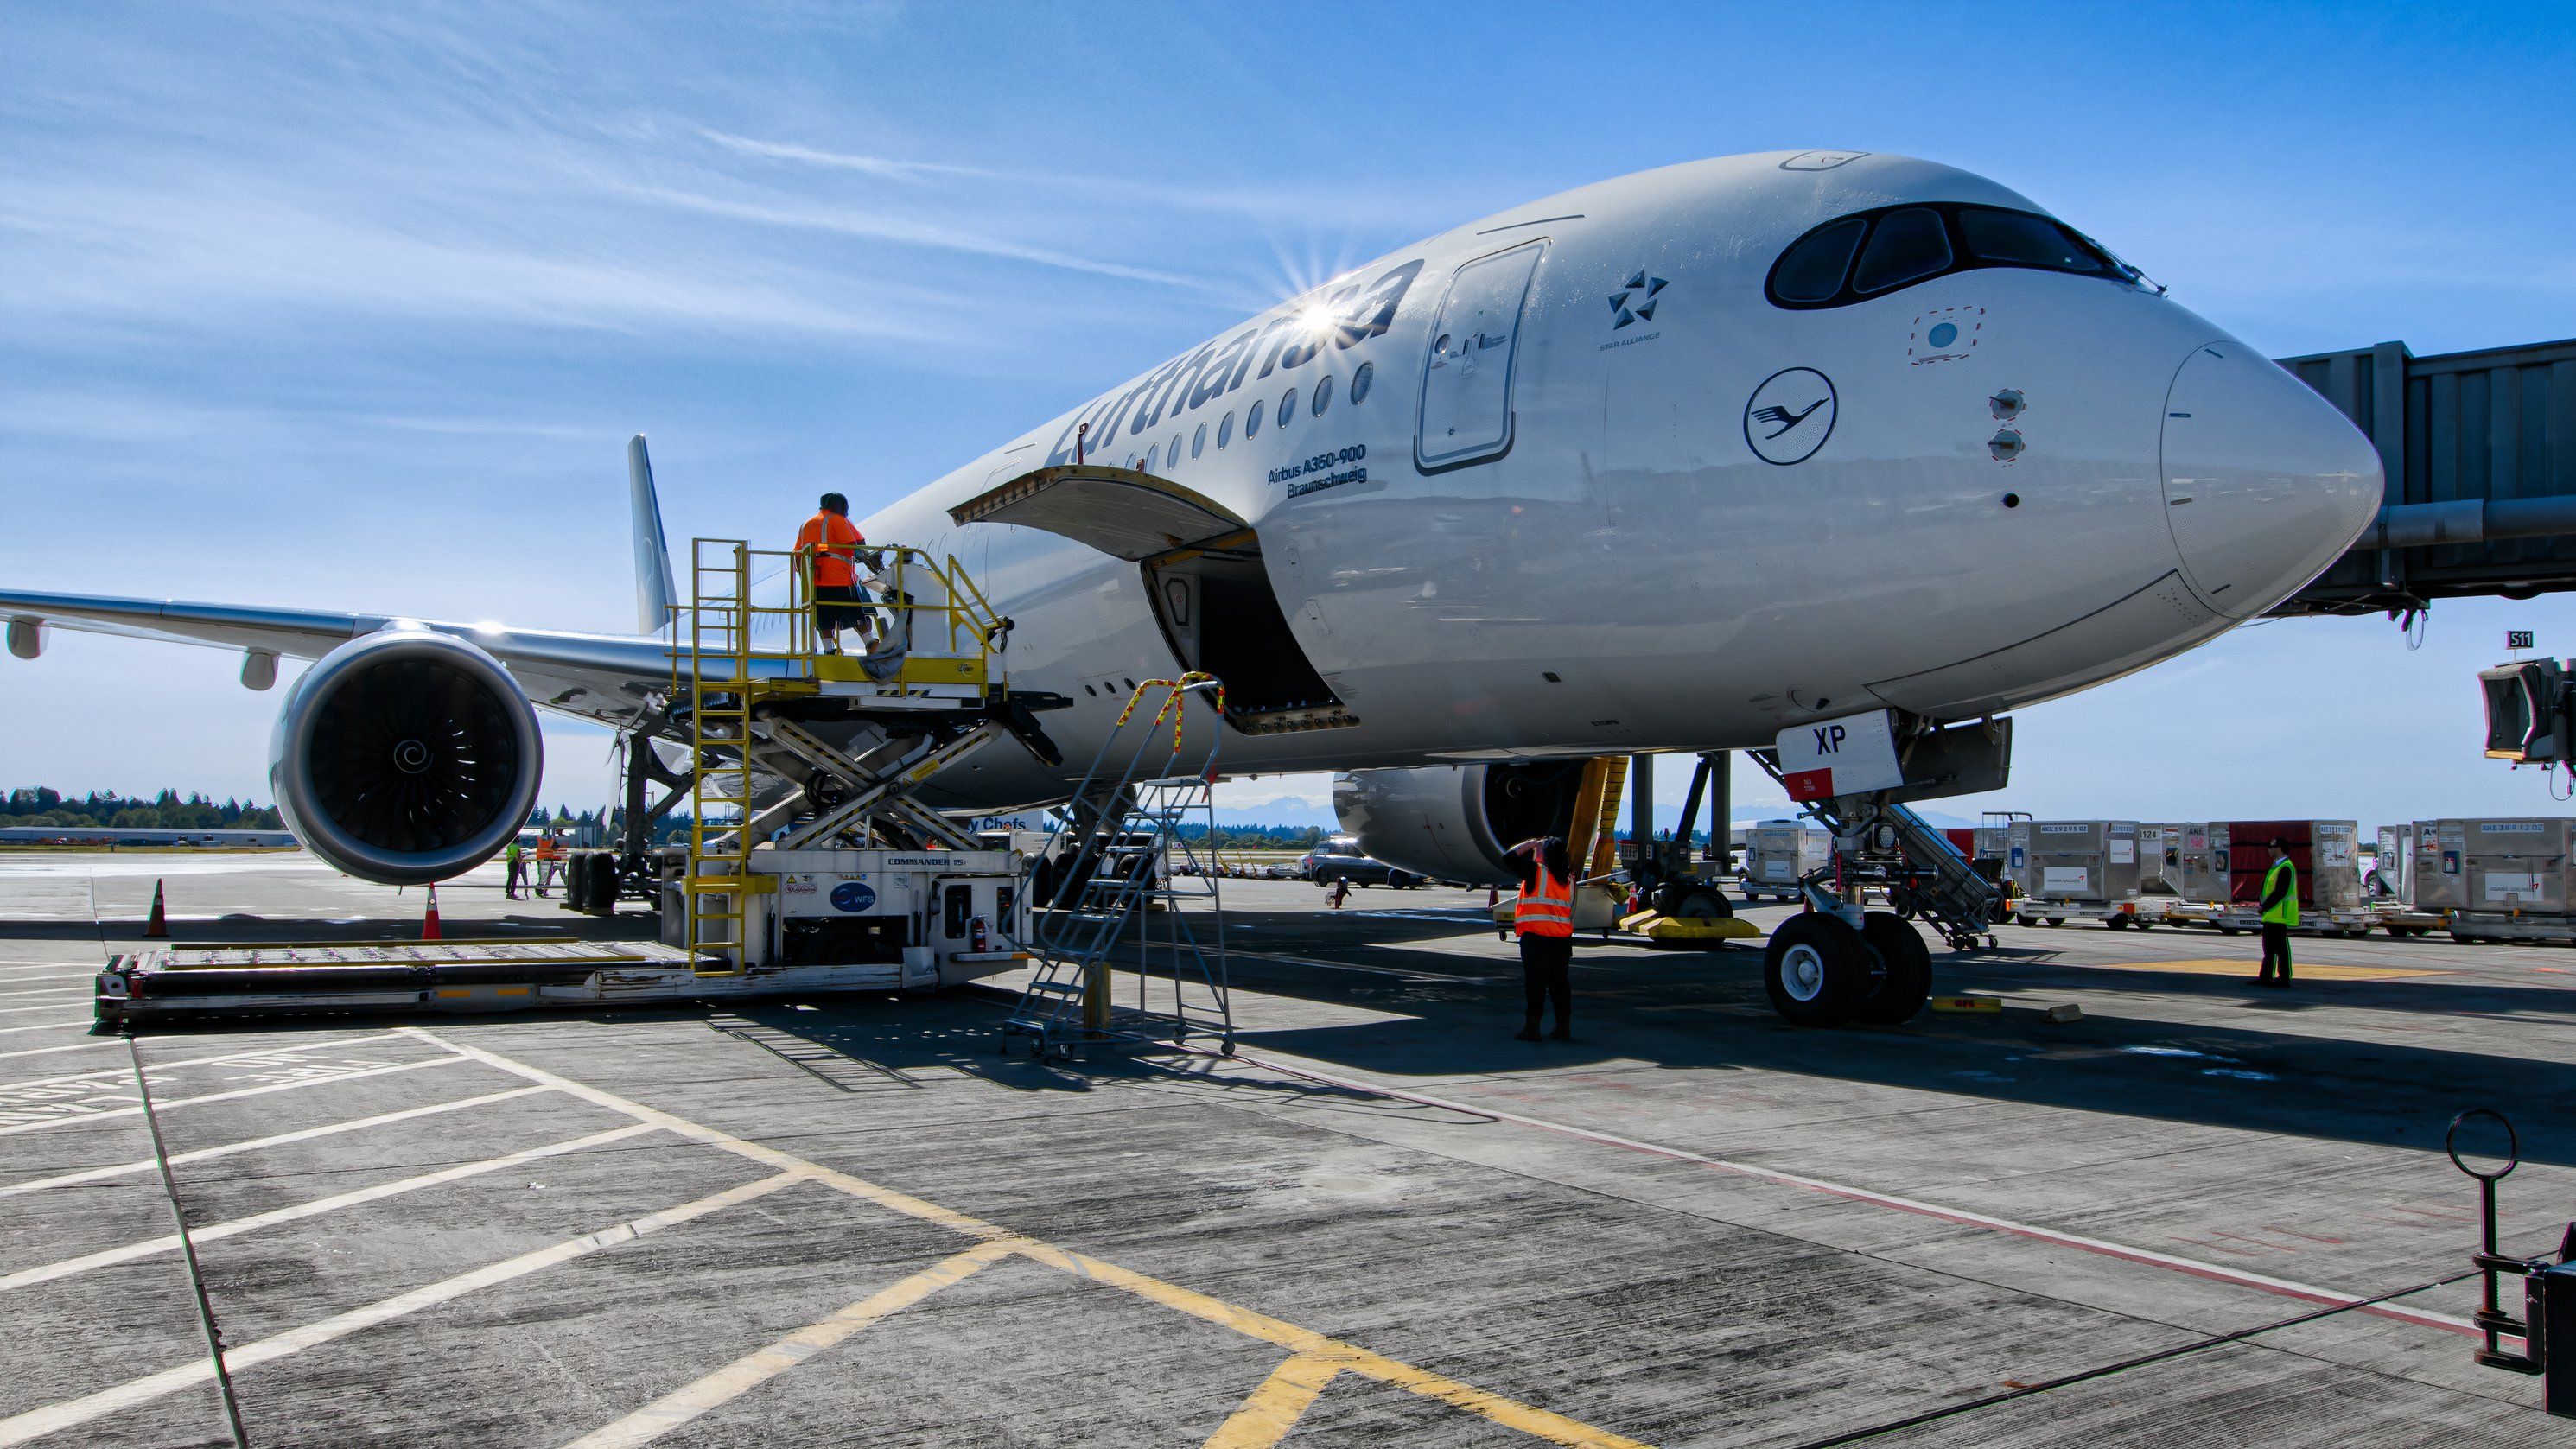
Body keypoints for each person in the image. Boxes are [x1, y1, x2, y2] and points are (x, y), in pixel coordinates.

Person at [1507, 835, 1576, 1041]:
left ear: (1545, 854)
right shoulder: (1569, 878)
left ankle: (1532, 1027)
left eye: (1540, 849)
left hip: (1536, 938)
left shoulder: (1536, 873)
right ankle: (1563, 1028)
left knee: (1535, 984)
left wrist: (1528, 843)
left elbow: (1508, 858)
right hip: (1561, 940)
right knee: (1559, 985)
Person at [795, 492, 874, 654]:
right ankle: (870, 644)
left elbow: (797, 555)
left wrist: (806, 579)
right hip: (840, 578)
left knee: (824, 617)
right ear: (837, 505)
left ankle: (829, 650)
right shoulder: (838, 520)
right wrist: (866, 558)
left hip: (816, 581)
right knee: (856, 613)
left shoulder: (806, 525)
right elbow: (853, 546)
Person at [2258, 836, 2298, 988]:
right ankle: (2265, 977)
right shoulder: (2276, 866)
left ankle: (2283, 978)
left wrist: (2265, 906)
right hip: (2272, 914)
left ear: (2279, 848)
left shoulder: (2286, 867)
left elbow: (2280, 892)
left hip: (2279, 914)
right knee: (2269, 948)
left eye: (2271, 846)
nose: (2268, 849)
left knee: (2280, 948)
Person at [502, 836, 525, 900]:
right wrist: (522, 858)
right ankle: (512, 893)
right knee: (514, 879)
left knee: (510, 878)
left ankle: (508, 892)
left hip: (510, 863)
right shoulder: (517, 848)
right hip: (515, 864)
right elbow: (519, 859)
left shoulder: (509, 846)